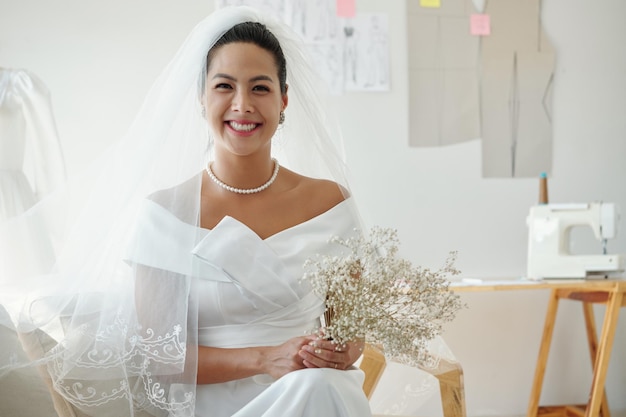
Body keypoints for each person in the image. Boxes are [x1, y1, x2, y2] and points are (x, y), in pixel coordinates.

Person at [0, 6, 372, 417]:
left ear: (284, 100)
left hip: (317, 388)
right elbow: (161, 359)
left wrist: (332, 354)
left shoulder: (331, 204)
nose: (242, 104)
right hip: (215, 403)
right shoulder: (165, 216)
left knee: (323, 386)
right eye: (225, 86)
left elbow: (351, 336)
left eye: (261, 88)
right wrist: (267, 359)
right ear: (202, 97)